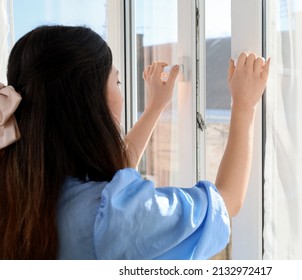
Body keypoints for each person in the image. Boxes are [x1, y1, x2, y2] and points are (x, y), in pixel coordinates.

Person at [0, 25, 270, 260]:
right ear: (90, 105)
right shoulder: (111, 218)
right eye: (117, 80)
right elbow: (226, 201)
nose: (121, 90)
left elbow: (110, 175)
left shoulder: (22, 181)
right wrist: (244, 106)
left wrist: (155, 107)